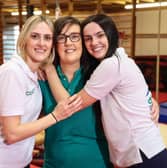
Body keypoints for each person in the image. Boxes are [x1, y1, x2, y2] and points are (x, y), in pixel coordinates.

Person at [43, 14, 167, 168]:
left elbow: (70, 106)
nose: (94, 42)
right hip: (136, 154)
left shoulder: (109, 66)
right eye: (88, 38)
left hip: (142, 154)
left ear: (111, 35)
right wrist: (149, 101)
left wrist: (49, 70)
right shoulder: (112, 64)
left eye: (100, 35)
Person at [0, 15, 81, 168]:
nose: (41, 43)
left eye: (47, 38)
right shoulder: (12, 72)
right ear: (24, 39)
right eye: (35, 36)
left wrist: (48, 69)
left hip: (21, 162)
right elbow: (12, 134)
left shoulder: (33, 74)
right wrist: (55, 116)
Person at [38, 16, 113, 168]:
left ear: (83, 43)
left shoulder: (100, 74)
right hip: (55, 163)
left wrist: (152, 102)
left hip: (97, 162)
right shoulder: (41, 77)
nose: (68, 43)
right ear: (54, 44)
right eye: (61, 38)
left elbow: (131, 90)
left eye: (75, 37)